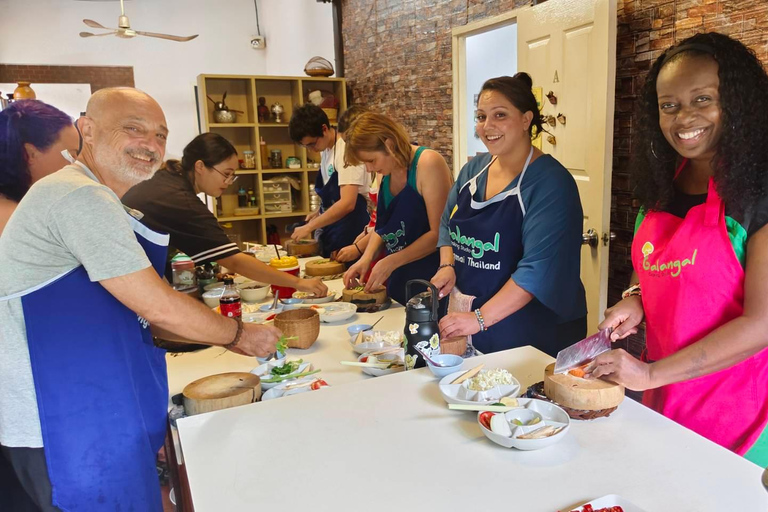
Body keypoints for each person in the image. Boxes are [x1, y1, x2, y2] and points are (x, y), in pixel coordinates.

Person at [0, 87, 280, 512]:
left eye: (160, 135)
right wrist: (240, 334)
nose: (150, 145)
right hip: (62, 424)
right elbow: (158, 305)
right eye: (133, 129)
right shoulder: (78, 195)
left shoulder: (99, 198)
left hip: (95, 405)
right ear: (87, 130)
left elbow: (128, 314)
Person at [591, 33, 768, 466]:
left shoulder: (757, 193)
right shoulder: (663, 187)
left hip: (741, 416)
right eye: (669, 105)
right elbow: (655, 270)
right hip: (664, 400)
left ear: (738, 102)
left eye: (703, 98)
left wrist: (648, 372)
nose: (684, 117)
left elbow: (762, 323)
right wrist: (635, 301)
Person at [431, 73, 587, 356]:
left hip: (535, 330)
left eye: (499, 115)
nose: (487, 126)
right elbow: (446, 224)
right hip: (482, 325)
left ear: (526, 120)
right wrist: (447, 265)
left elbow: (536, 271)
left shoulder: (550, 184)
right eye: (480, 117)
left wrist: (479, 319)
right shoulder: (473, 170)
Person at [122, 132, 327, 296]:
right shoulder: (181, 199)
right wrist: (299, 283)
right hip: (125, 278)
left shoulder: (169, 177)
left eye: (233, 176)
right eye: (226, 174)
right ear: (200, 166)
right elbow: (234, 260)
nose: (228, 183)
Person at [343, 112, 453, 306]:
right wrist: (366, 258)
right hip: (399, 281)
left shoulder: (427, 163)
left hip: (430, 281)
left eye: (371, 160)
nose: (368, 169)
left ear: (389, 145)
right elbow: (384, 226)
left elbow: (439, 233)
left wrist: (391, 261)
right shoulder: (384, 173)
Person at [289, 104, 370, 257]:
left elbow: (347, 203)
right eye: (306, 146)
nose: (311, 149)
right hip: (335, 227)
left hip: (351, 227)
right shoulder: (325, 150)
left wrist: (310, 227)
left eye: (312, 143)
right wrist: (319, 212)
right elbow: (333, 195)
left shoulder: (345, 150)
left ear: (324, 128)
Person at [0, 100, 80, 235]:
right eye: (70, 155)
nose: (75, 164)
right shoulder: (15, 223)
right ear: (30, 154)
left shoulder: (26, 206)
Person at [329, 105, 379, 264]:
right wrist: (365, 235)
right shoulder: (375, 167)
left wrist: (359, 249)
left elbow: (390, 223)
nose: (348, 150)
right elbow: (379, 219)